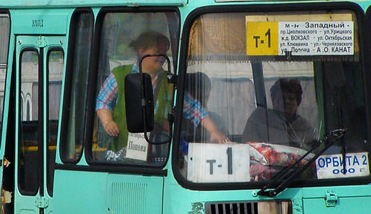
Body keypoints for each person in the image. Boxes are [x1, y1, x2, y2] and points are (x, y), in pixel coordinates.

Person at [95, 30, 227, 154]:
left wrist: (213, 130)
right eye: (158, 52)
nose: (162, 57)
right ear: (142, 51)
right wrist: (108, 122)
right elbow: (103, 101)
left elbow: (193, 107)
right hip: (121, 153)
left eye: (165, 53)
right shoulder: (120, 75)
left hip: (157, 153)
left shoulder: (168, 80)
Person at [242, 78, 317, 148]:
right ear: (273, 100)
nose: (286, 102)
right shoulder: (259, 119)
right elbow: (249, 146)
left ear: (298, 103)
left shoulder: (305, 127)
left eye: (291, 98)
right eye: (282, 98)